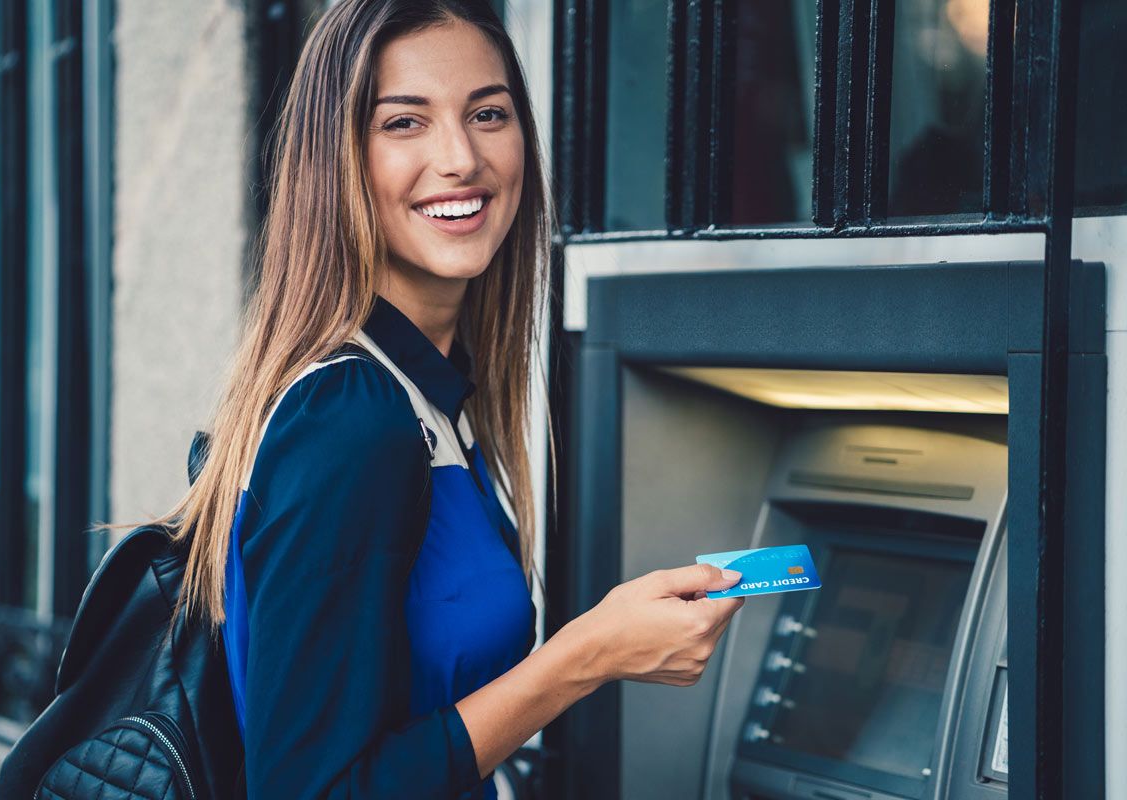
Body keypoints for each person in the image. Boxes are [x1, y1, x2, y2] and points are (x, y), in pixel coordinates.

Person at [152, 1, 746, 797]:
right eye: (405, 123)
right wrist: (584, 658)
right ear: (339, 159)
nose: (461, 157)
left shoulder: (425, 394)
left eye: (488, 113)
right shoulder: (350, 420)